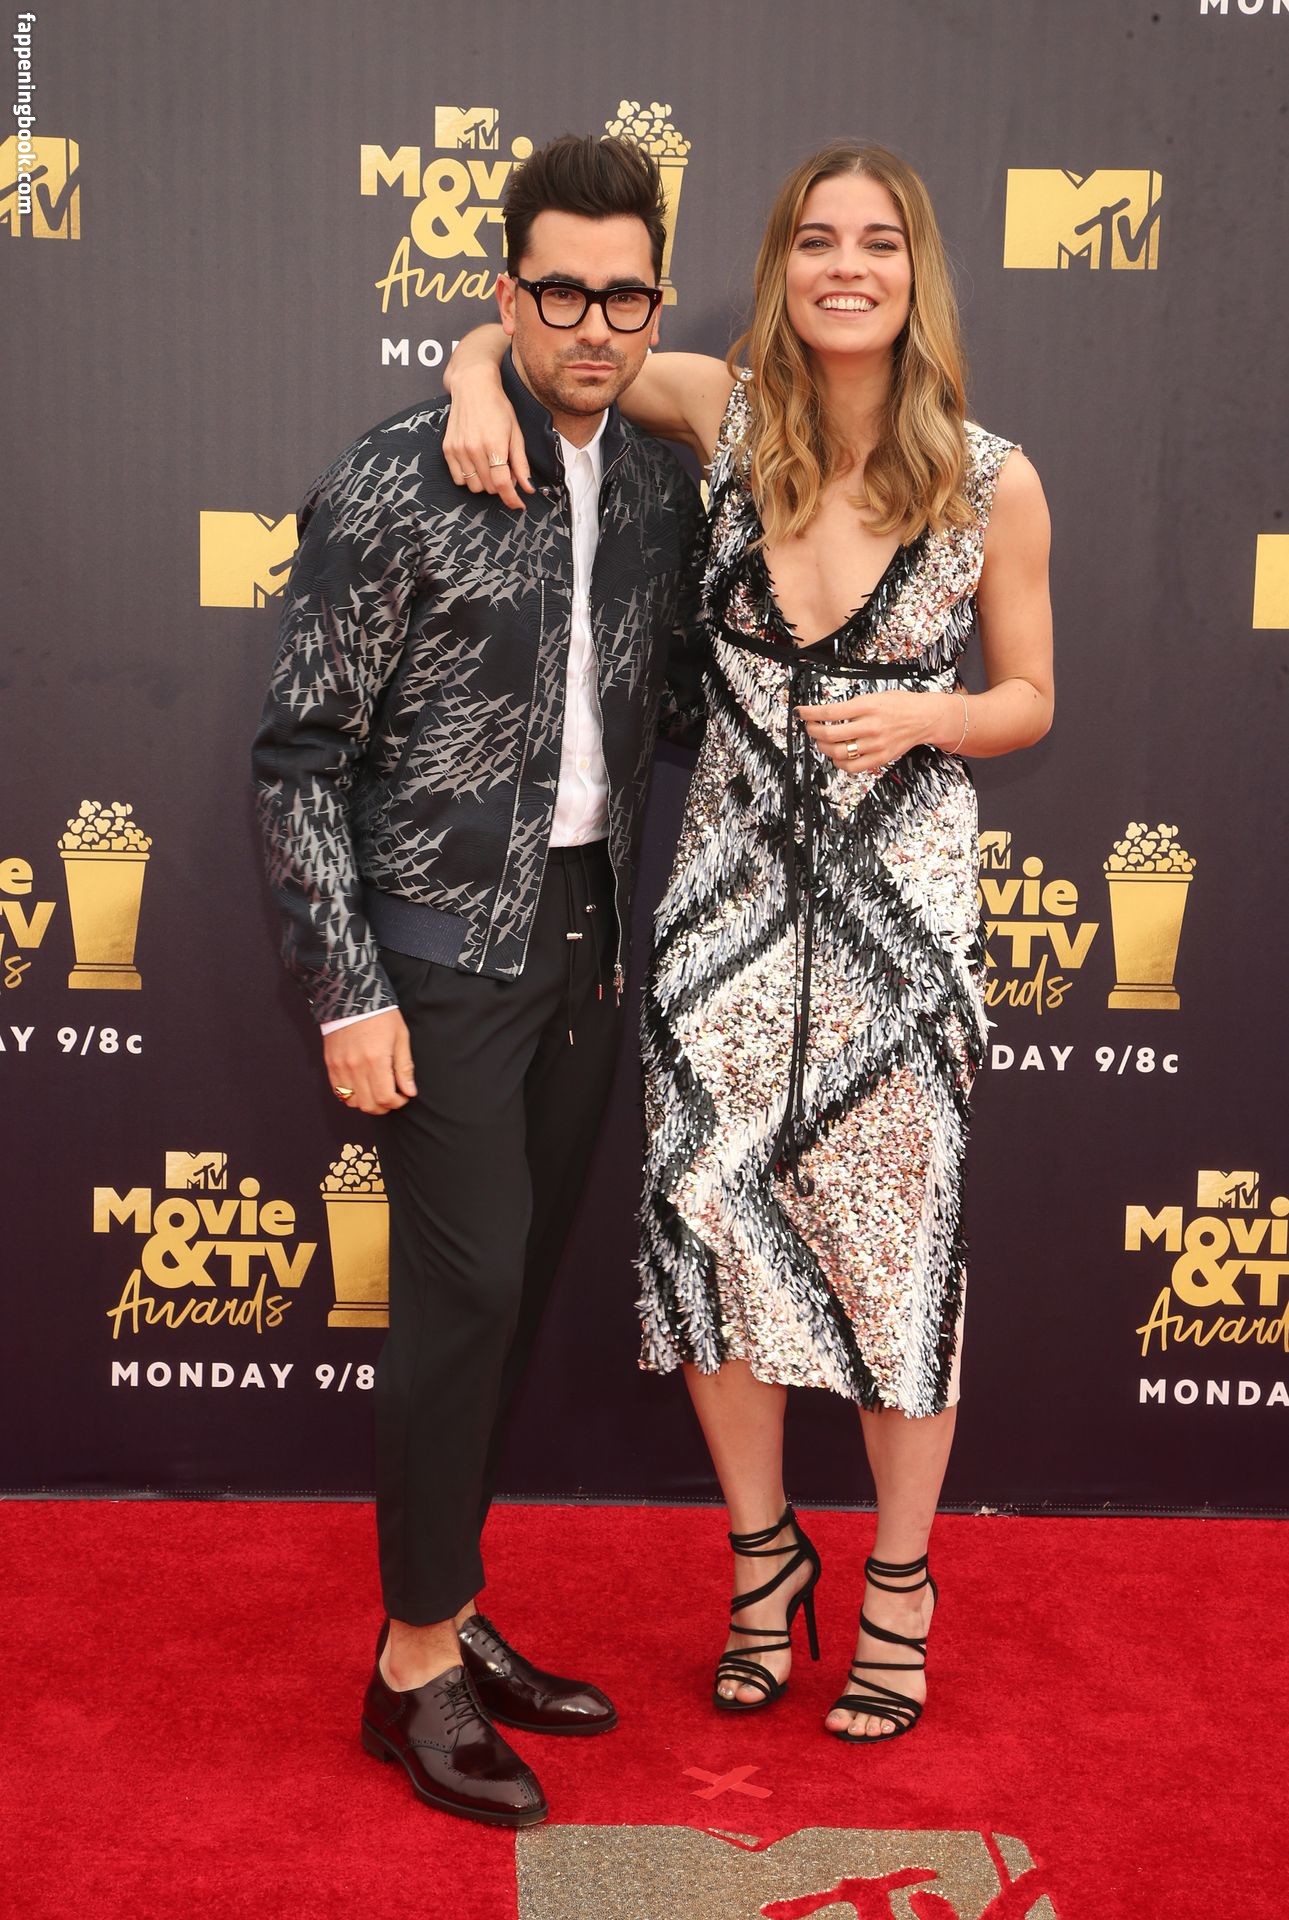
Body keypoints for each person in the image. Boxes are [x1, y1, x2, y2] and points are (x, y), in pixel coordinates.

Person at [445, 140, 1053, 1744]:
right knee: (709, 1234)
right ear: (779, 267)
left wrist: (929, 716)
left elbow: (1028, 696)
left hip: (899, 929)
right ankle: (762, 1560)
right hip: (721, 915)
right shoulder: (722, 417)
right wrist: (467, 382)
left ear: (915, 272)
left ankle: (900, 1586)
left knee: (897, 1253)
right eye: (815, 240)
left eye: (877, 242)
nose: (845, 266)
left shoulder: (990, 478)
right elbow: (534, 335)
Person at [253, 133, 704, 1825]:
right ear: (505, 293)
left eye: (623, 296)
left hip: (587, 939)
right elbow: (299, 756)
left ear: (653, 304)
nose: (592, 324)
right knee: (464, 1298)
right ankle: (409, 1671)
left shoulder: (656, 483)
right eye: (559, 292)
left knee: (501, 1302)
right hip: (437, 962)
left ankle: (444, 1601)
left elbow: (678, 698)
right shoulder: (399, 477)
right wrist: (346, 988)